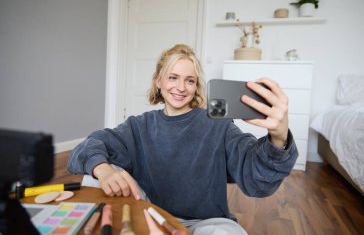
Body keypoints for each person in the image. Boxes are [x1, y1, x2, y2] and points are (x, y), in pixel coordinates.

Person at [67, 44, 298, 235]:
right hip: (149, 215)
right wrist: (104, 170)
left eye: (189, 80)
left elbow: (256, 178)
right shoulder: (139, 126)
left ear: (196, 86)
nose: (180, 87)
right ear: (158, 81)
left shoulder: (218, 126)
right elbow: (88, 147)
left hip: (205, 224)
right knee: (95, 174)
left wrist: (278, 137)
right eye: (173, 77)